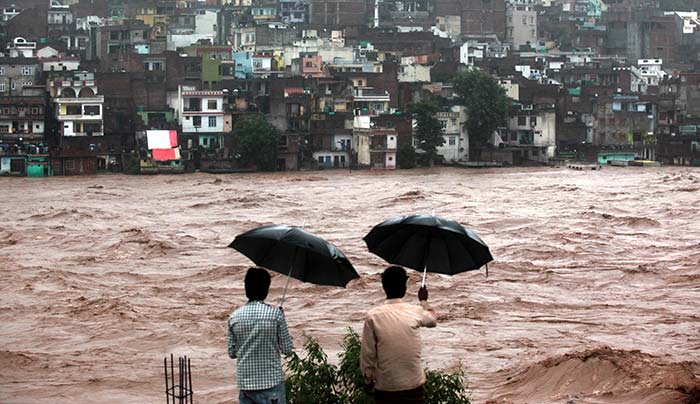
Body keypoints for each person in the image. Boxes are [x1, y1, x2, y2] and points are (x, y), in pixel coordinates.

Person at [360, 265, 437, 404]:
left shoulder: (373, 316)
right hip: (413, 386)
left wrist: (368, 380)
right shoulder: (415, 311)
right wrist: (424, 301)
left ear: (384, 287)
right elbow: (432, 320)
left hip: (386, 388)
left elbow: (368, 354)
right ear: (405, 287)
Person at [228, 267, 293, 404]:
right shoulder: (275, 315)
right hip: (271, 384)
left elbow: (232, 352)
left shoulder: (234, 317)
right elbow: (287, 349)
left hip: (246, 385)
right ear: (266, 290)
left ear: (246, 288)